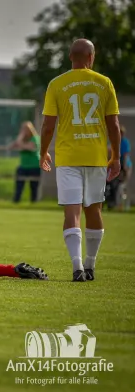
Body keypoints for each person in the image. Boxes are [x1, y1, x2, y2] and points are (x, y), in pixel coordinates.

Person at [39, 38, 122, 282]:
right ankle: (90, 265)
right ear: (91, 58)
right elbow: (114, 124)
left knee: (72, 211)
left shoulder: (57, 83)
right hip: (96, 157)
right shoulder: (104, 83)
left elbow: (47, 125)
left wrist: (43, 151)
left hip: (67, 157)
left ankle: (77, 267)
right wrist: (115, 156)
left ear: (70, 58)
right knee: (94, 209)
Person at [8, 121, 41, 203]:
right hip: (23, 166)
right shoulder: (22, 140)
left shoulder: (35, 138)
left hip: (34, 166)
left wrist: (20, 141)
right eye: (22, 129)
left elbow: (30, 147)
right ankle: (16, 201)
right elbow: (10, 147)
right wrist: (20, 139)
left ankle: (34, 202)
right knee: (19, 184)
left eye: (25, 129)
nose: (24, 131)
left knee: (33, 186)